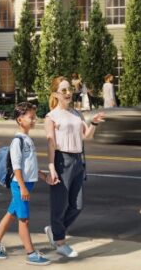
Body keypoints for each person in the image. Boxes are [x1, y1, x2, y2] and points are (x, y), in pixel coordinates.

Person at [44, 77, 105, 258]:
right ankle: (60, 243)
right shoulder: (51, 117)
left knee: (77, 205)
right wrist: (51, 168)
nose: (68, 93)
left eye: (69, 89)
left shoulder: (77, 114)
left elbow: (87, 136)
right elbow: (51, 144)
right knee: (59, 204)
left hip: (78, 161)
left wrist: (94, 123)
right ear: (56, 94)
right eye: (63, 90)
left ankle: (55, 230)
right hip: (61, 161)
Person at [0, 102, 53, 266]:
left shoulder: (27, 139)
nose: (34, 120)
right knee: (24, 220)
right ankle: (31, 254)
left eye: (34, 117)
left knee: (11, 214)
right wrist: (23, 187)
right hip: (19, 185)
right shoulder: (17, 141)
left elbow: (30, 165)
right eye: (31, 117)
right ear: (20, 120)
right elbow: (16, 167)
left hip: (25, 184)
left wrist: (43, 176)